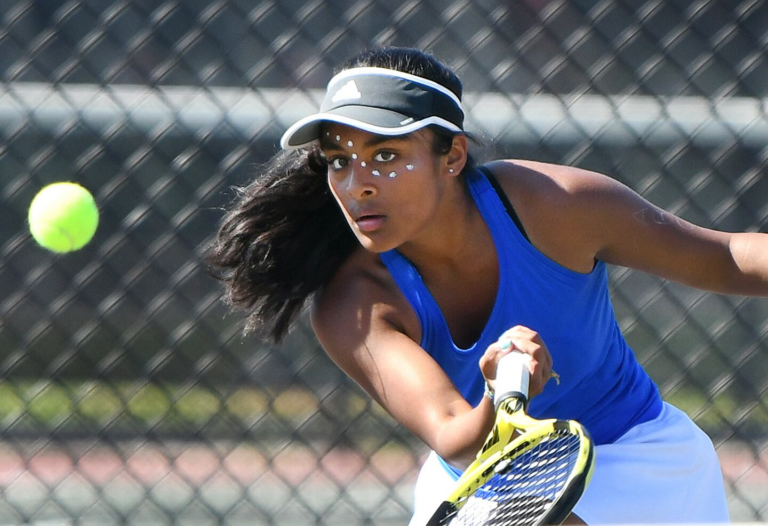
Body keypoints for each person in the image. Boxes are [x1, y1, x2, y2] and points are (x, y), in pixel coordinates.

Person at [206, 46, 766, 524]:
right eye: (338, 160)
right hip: (489, 483)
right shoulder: (353, 304)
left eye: (385, 156)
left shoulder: (554, 206)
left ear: (451, 155)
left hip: (642, 463)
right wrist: (500, 395)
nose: (358, 185)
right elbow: (455, 432)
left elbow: (724, 258)